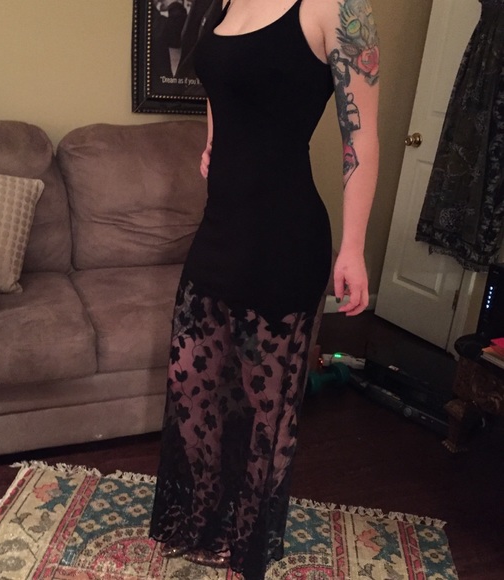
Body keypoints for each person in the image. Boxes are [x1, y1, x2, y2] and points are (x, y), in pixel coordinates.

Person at [149, 0, 380, 578]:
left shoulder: (337, 8)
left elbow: (361, 137)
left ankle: (245, 542)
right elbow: (219, 85)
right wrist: (214, 141)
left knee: (264, 407)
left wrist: (353, 248)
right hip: (221, 227)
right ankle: (205, 518)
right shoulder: (226, 3)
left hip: (285, 235)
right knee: (191, 381)